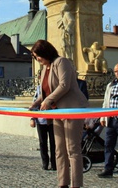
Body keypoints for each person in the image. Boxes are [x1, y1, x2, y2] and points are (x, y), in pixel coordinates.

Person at [30, 39, 89, 188]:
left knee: (73, 149)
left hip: (72, 109)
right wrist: (35, 104)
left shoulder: (62, 62)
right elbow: (45, 91)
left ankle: (76, 184)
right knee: (59, 149)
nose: (37, 59)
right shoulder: (45, 69)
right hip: (57, 111)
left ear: (45, 52)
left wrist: (47, 101)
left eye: (38, 56)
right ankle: (62, 183)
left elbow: (64, 85)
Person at [30, 84, 57, 171]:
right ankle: (45, 163)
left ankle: (54, 164)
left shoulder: (55, 87)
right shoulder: (39, 88)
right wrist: (32, 118)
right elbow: (34, 102)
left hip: (53, 120)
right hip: (41, 120)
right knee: (43, 143)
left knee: (54, 143)